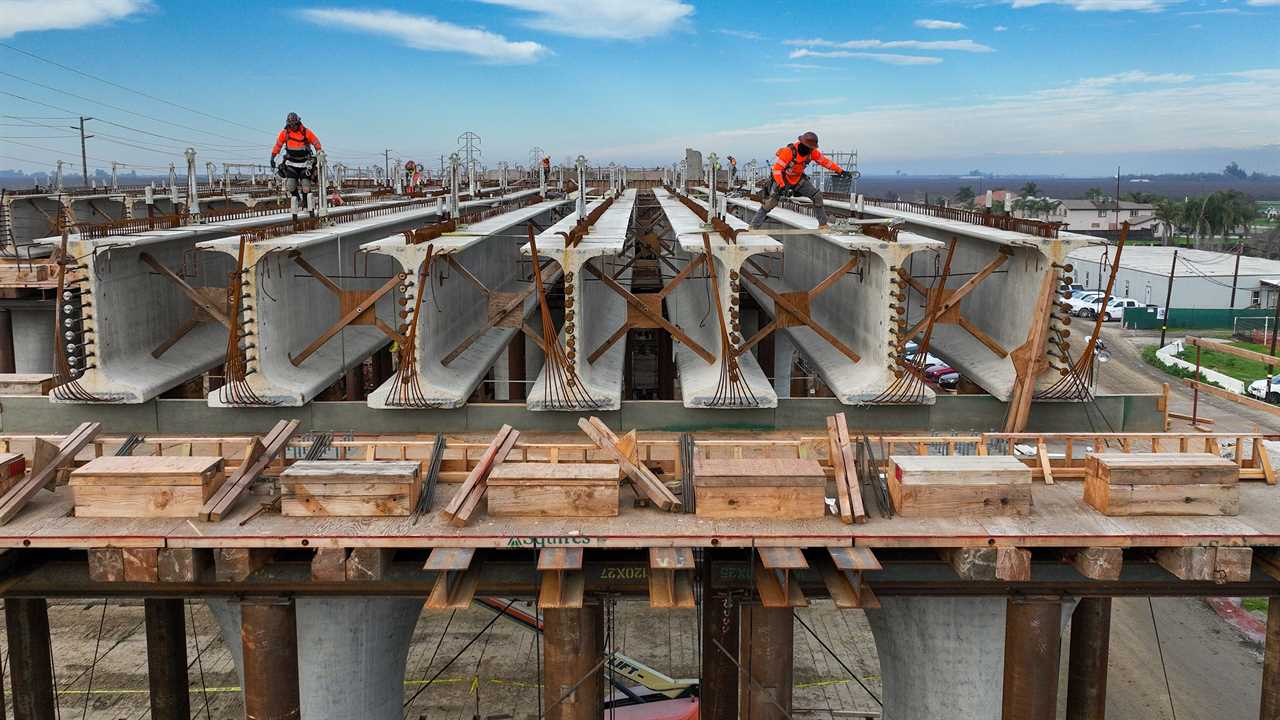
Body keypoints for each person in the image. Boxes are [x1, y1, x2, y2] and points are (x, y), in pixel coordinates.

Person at [749, 131, 850, 228]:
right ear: (804, 145)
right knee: (770, 203)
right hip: (783, 179)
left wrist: (840, 171)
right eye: (810, 148)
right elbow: (777, 170)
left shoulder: (812, 153)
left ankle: (823, 225)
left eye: (812, 148)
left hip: (798, 179)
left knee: (817, 196)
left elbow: (825, 162)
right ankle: (753, 226)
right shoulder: (788, 152)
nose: (811, 150)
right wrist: (782, 185)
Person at [270, 112, 322, 206]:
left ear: (298, 123)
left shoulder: (306, 132)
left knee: (306, 186)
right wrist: (272, 157)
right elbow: (278, 145)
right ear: (288, 124)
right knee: (290, 185)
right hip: (291, 164)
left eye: (294, 124)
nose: (293, 126)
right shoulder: (285, 133)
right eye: (291, 125)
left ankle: (306, 203)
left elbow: (316, 142)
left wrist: (319, 154)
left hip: (305, 164)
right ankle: (297, 199)